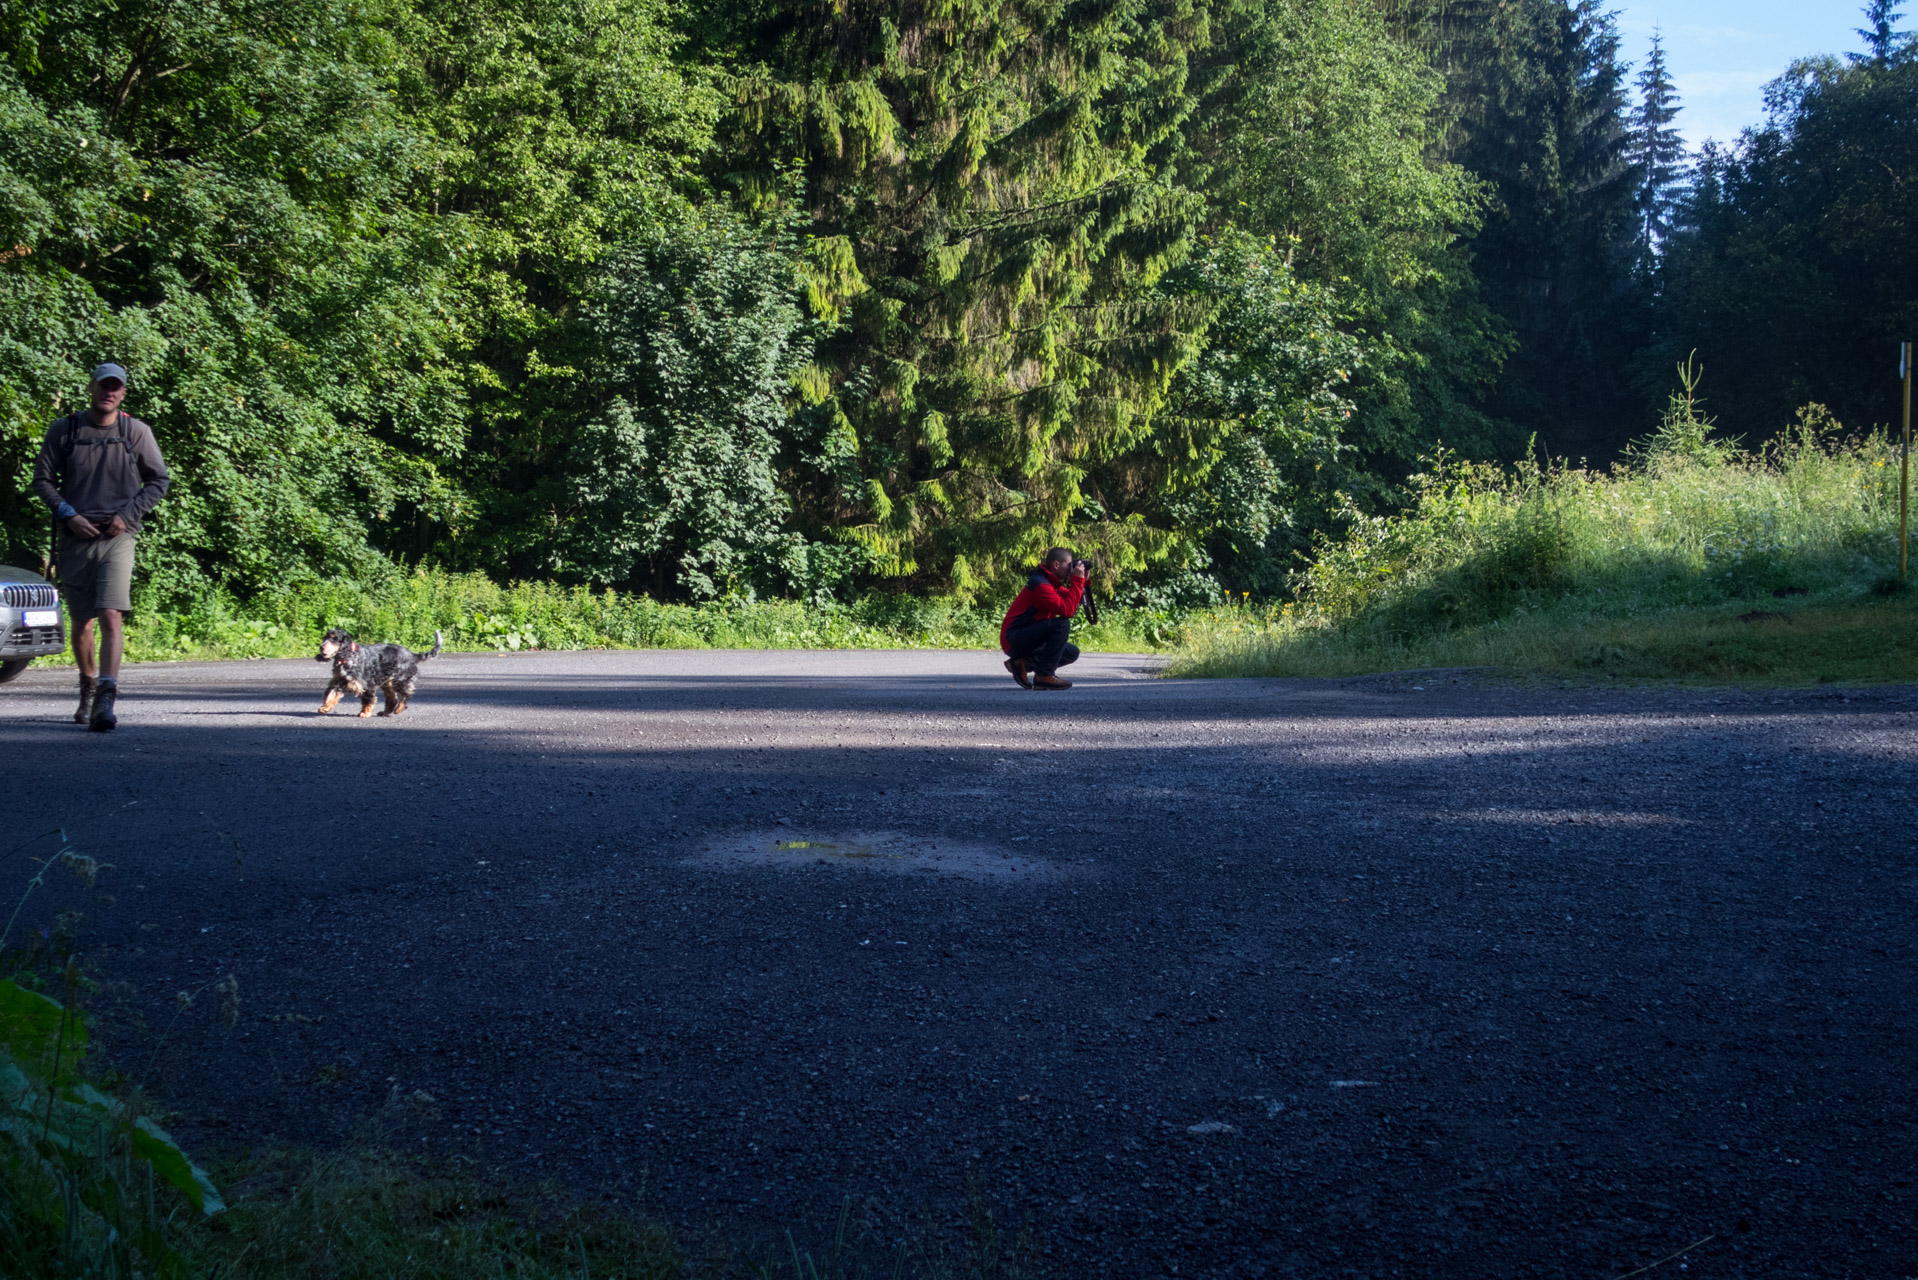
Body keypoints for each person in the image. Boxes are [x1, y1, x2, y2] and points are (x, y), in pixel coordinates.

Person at [30, 363, 171, 731]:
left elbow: (158, 481)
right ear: (91, 387)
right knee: (81, 622)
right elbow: (42, 479)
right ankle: (88, 688)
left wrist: (128, 514)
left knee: (111, 613)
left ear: (123, 393)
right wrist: (68, 514)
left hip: (117, 537)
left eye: (116, 388)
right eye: (104, 386)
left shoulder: (135, 432)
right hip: (76, 537)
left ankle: (107, 697)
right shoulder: (66, 429)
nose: (109, 392)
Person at [999, 547, 1089, 690]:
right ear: (1056, 565)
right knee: (1061, 624)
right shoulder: (1041, 585)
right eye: (1069, 565)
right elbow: (1067, 611)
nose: (1071, 569)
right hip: (1013, 638)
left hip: (1026, 637)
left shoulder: (1050, 584)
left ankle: (1021, 664)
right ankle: (1044, 675)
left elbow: (1073, 598)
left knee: (1071, 653)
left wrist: (1082, 581)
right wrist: (1077, 581)